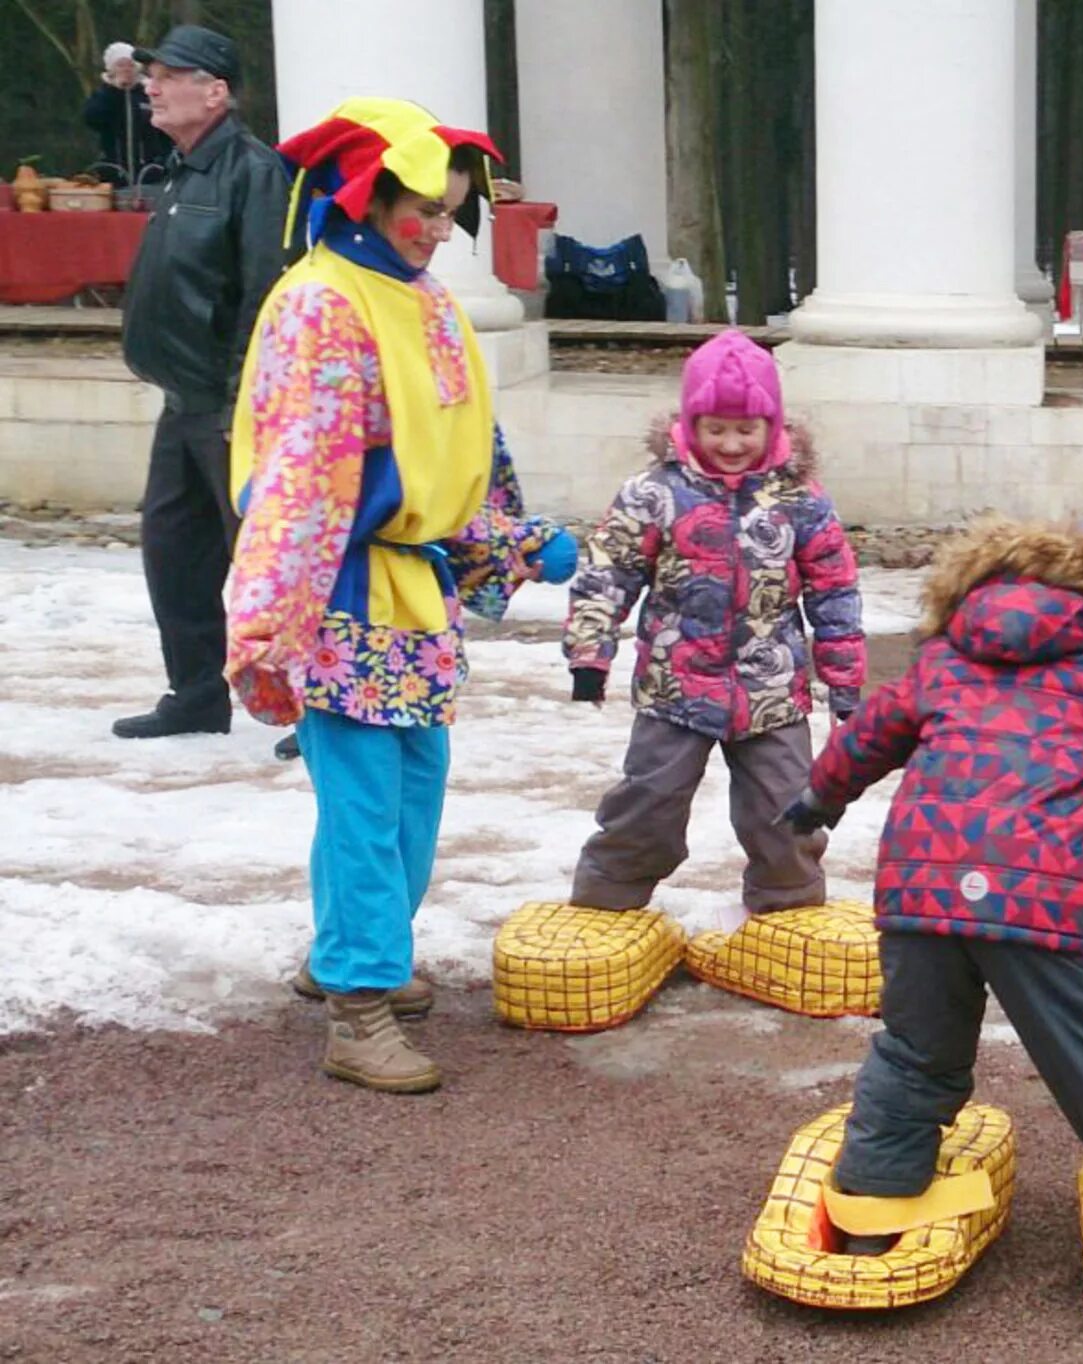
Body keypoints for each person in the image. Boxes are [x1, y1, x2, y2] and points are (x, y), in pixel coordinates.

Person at [781, 520, 1083, 1270]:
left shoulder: (943, 659)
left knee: (917, 1050)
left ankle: (873, 1209)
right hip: (1035, 896)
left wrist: (818, 797)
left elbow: (870, 733)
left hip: (920, 885)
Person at [224, 97, 577, 1093]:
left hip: (413, 593)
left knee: (408, 793)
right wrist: (271, 623)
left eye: (450, 208)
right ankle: (358, 1000)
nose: (435, 227)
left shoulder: (427, 301)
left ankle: (346, 949)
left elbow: (460, 457)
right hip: (339, 589)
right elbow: (301, 479)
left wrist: (510, 542)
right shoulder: (320, 301)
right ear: (362, 197)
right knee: (366, 801)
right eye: (420, 205)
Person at [564, 329, 865, 922]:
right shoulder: (654, 494)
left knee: (786, 810)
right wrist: (589, 653)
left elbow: (835, 593)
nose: (731, 443)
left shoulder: (799, 500)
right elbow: (609, 568)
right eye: (716, 428)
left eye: (746, 429)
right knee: (648, 802)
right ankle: (605, 906)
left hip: (771, 691)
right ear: (691, 423)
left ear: (773, 427)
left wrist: (846, 686)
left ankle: (789, 909)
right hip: (675, 688)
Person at [115, 25, 289, 745]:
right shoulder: (184, 167)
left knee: (267, 562)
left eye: (168, 75)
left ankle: (311, 707)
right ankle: (195, 692)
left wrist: (239, 400)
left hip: (228, 406)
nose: (151, 85)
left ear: (214, 91)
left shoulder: (254, 171)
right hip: (182, 400)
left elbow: (265, 293)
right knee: (174, 554)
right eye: (151, 74)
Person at [82, 42, 169, 186]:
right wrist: (116, 91)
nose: (126, 69)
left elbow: (165, 128)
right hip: (113, 172)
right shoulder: (103, 95)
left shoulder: (149, 93)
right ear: (111, 69)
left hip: (150, 173)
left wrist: (162, 161)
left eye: (130, 65)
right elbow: (92, 119)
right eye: (120, 65)